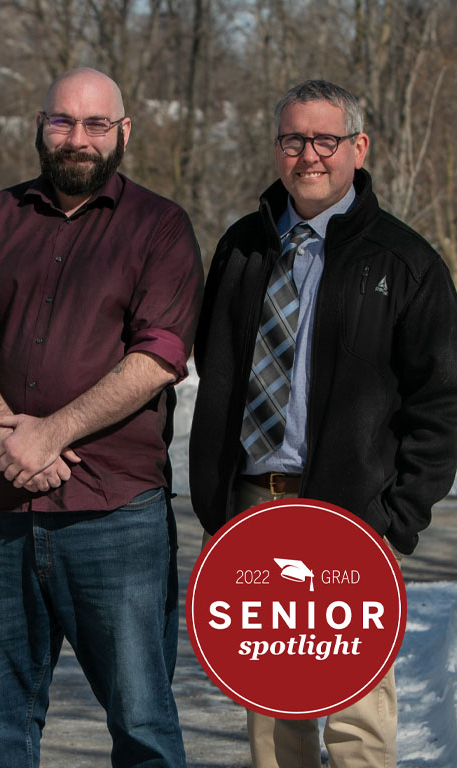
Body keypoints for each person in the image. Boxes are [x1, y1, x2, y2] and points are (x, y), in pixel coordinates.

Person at [0, 67, 203, 766]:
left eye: (95, 124)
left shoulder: (159, 226)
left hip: (115, 515)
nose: (77, 138)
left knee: (142, 724)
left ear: (123, 132)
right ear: (40, 126)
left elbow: (161, 355)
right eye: (62, 121)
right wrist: (3, 434)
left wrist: (51, 433)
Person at [189, 79, 457, 767]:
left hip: (351, 510)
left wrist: (397, 515)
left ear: (357, 147)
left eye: (324, 140)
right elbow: (213, 362)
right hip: (255, 500)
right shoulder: (243, 247)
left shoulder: (405, 262)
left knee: (357, 708)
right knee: (271, 707)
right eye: (292, 140)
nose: (307, 155)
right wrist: (214, 493)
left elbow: (441, 399)